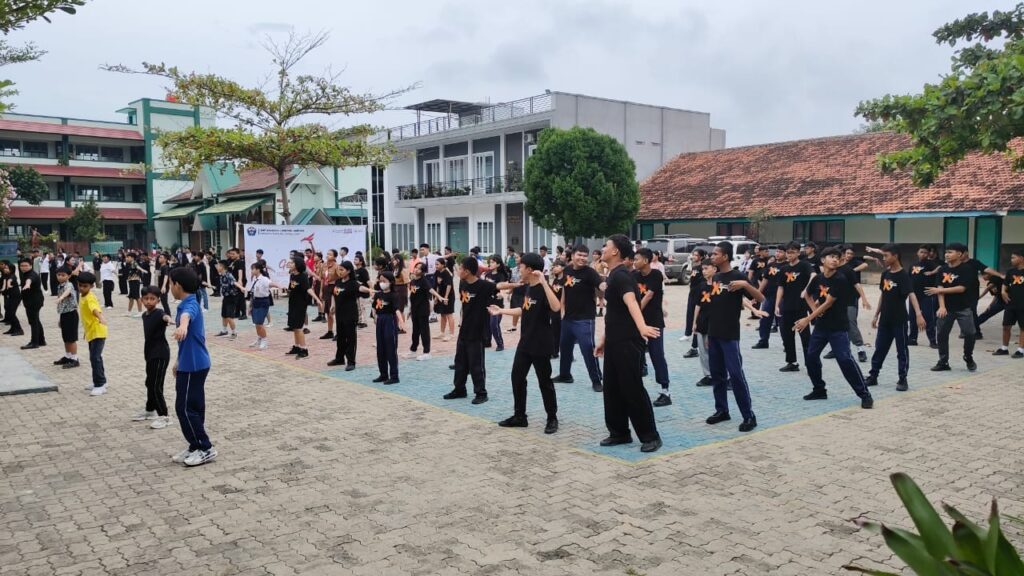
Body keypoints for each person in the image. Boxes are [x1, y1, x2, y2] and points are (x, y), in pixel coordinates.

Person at [594, 235, 662, 453]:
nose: (603, 249)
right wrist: (604, 340)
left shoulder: (622, 275)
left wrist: (642, 327)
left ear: (615, 251)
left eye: (607, 246)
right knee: (612, 389)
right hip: (614, 341)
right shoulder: (613, 274)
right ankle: (619, 432)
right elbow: (615, 314)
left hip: (628, 342)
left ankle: (650, 436)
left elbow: (631, 301)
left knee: (632, 388)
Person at [489, 252, 561, 434]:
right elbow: (524, 309)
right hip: (525, 342)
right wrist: (501, 311)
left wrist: (544, 282)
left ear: (529, 269)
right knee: (517, 377)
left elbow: (556, 307)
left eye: (520, 266)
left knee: (544, 382)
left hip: (541, 343)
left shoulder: (543, 288)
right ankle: (520, 416)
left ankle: (552, 417)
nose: (518, 269)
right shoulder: (528, 287)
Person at [795, 247, 874, 408]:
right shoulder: (818, 278)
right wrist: (814, 310)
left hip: (838, 327)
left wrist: (808, 318)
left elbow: (828, 303)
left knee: (845, 360)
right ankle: (819, 390)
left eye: (837, 257)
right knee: (811, 357)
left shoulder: (840, 279)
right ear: (822, 260)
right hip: (821, 327)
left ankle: (865, 394)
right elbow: (807, 295)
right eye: (831, 256)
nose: (835, 260)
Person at [703, 242, 764, 432]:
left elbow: (761, 298)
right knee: (717, 375)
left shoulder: (738, 276)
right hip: (714, 334)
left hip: (729, 335)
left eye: (716, 254)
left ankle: (748, 415)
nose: (712, 256)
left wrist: (745, 284)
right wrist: (708, 333)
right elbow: (712, 307)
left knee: (736, 375)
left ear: (725, 256)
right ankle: (722, 410)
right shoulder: (716, 277)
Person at [167, 267, 217, 467]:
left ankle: (205, 448)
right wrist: (178, 361)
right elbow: (186, 342)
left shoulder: (190, 304)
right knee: (193, 407)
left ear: (177, 285)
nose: (170, 287)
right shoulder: (188, 302)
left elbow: (187, 317)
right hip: (191, 363)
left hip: (194, 365)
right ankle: (195, 445)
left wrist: (182, 326)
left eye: (170, 283)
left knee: (185, 408)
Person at [866, 244, 926, 391]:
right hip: (885, 320)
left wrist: (918, 314)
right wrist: (876, 315)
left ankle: (902, 379)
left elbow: (911, 294)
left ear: (895, 256)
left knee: (902, 350)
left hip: (899, 320)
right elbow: (883, 295)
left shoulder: (903, 275)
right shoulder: (885, 274)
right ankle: (873, 376)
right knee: (880, 349)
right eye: (883, 255)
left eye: (886, 255)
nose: (883, 258)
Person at [442, 257, 495, 404]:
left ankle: (481, 393)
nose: (458, 271)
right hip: (464, 330)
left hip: (477, 332)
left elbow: (499, 286)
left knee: (476, 364)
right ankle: (459, 389)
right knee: (460, 362)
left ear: (467, 271)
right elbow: (464, 307)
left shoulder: (483, 285)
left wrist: (518, 284)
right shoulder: (463, 284)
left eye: (460, 268)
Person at [553, 244, 605, 393]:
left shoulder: (590, 272)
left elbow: (601, 285)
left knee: (588, 349)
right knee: (565, 348)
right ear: (573, 255)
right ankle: (565, 375)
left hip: (585, 320)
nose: (582, 258)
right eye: (579, 255)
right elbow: (564, 290)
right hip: (568, 318)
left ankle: (597, 380)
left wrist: (607, 286)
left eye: (585, 256)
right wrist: (562, 310)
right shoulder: (567, 270)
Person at [925, 242, 979, 372]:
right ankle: (943, 361)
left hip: (963, 308)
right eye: (946, 252)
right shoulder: (942, 269)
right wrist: (942, 306)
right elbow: (940, 288)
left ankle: (968, 356)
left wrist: (940, 290)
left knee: (970, 333)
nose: (946, 254)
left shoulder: (967, 269)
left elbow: (961, 288)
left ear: (959, 254)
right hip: (946, 308)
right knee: (941, 334)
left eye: (950, 252)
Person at [632, 248, 671, 407]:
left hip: (654, 322)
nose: (634, 262)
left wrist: (634, 313)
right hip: (638, 322)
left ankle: (665, 391)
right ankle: (635, 390)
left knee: (657, 355)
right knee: (636, 355)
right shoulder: (634, 276)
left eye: (637, 259)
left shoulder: (656, 275)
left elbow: (648, 295)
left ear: (646, 260)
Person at [134, 286, 172, 429]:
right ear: (142, 299)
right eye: (146, 298)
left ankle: (164, 416)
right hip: (150, 353)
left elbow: (165, 316)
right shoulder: (145, 315)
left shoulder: (159, 313)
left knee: (156, 386)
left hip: (160, 354)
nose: (149, 301)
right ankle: (150, 410)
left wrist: (168, 319)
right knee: (149, 383)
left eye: (152, 299)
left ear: (158, 300)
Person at [775, 241, 814, 372]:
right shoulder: (784, 269)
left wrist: (806, 290)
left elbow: (813, 275)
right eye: (788, 252)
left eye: (792, 252)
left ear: (798, 253)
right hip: (787, 306)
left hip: (801, 307)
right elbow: (780, 287)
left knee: (805, 337)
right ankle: (792, 362)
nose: (789, 255)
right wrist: (777, 304)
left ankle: (810, 363)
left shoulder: (804, 265)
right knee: (787, 336)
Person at [277, 256, 322, 359]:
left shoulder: (303, 276)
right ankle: (297, 347)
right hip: (292, 303)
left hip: (300, 304)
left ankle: (304, 349)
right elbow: (291, 289)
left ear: (297, 265)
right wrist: (284, 290)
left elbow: (308, 289)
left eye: (292, 263)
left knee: (299, 327)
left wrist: (317, 299)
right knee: (294, 327)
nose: (290, 264)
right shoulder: (292, 275)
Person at [327, 261, 366, 370]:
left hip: (350, 314)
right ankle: (339, 358)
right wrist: (333, 305)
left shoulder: (353, 283)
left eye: (342, 270)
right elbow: (334, 294)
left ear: (348, 271)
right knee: (340, 337)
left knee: (350, 338)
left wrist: (370, 290)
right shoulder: (338, 281)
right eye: (339, 270)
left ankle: (351, 361)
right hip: (339, 313)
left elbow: (361, 288)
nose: (339, 272)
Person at [368, 271, 405, 384]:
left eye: (384, 281)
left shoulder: (394, 295)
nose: (382, 283)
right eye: (380, 281)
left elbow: (396, 309)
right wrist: (374, 316)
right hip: (380, 320)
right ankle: (383, 374)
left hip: (390, 320)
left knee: (390, 348)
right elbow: (374, 306)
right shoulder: (378, 294)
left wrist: (401, 321)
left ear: (391, 282)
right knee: (380, 349)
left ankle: (394, 376)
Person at [77, 272, 108, 396]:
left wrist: (101, 317)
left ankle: (100, 385)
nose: (82, 288)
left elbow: (94, 309)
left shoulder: (90, 297)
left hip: (98, 332)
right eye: (80, 285)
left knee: (95, 358)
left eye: (85, 286)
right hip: (91, 332)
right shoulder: (82, 296)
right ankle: (99, 381)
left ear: (91, 286)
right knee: (96, 357)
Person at [406, 261, 443, 360]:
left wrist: (439, 297)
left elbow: (431, 290)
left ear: (423, 271)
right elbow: (412, 296)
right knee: (415, 331)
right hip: (414, 310)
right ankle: (413, 350)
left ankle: (427, 352)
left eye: (419, 268)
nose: (416, 269)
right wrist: (409, 310)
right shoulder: (413, 281)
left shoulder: (424, 280)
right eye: (416, 267)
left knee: (424, 331)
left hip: (423, 310)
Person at [691, 261, 719, 387]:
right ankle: (708, 376)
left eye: (706, 268)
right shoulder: (701, 286)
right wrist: (694, 322)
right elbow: (698, 305)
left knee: (714, 351)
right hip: (701, 322)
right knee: (703, 352)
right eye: (703, 269)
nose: (704, 271)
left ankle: (721, 375)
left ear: (714, 269)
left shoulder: (719, 286)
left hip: (714, 323)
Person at [908, 244, 941, 348]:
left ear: (928, 254)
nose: (923, 254)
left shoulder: (931, 263)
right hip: (913, 295)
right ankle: (912, 338)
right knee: (912, 317)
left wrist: (932, 272)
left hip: (927, 295)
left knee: (929, 318)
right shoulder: (912, 265)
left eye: (926, 252)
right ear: (917, 253)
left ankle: (932, 341)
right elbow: (908, 279)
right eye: (921, 252)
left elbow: (942, 267)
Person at [994, 248, 1024, 358]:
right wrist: (1003, 291)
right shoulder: (1010, 271)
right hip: (1010, 303)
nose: (1011, 260)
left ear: (1021, 258)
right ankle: (1004, 348)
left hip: (1023, 304)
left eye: (1013, 258)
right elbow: (1005, 283)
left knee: (1023, 328)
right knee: (1006, 326)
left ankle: (1021, 350)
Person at [52, 266, 80, 369]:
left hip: (71, 314)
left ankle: (74, 359)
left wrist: (61, 297)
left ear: (68, 276)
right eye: (58, 275)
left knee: (71, 339)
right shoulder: (60, 285)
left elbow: (67, 291)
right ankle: (68, 356)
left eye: (63, 275)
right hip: (64, 314)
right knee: (66, 338)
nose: (60, 277)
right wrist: (60, 319)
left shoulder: (69, 285)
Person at [682, 248, 708, 354]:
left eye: (696, 255)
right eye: (693, 254)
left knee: (697, 319)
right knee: (690, 314)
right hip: (692, 294)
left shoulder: (703, 268)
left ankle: (695, 346)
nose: (694, 256)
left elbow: (703, 282)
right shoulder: (694, 267)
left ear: (701, 257)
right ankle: (688, 334)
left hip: (699, 294)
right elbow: (691, 279)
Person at [244, 263, 272, 350]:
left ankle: (264, 341)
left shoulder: (264, 279)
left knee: (259, 323)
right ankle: (260, 338)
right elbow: (253, 293)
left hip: (263, 302)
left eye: (253, 269)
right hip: (255, 301)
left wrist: (279, 286)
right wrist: (250, 306)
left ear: (258, 270)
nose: (251, 271)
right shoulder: (255, 280)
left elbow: (271, 284)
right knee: (256, 323)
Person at [19, 258, 46, 350]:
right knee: (36, 320)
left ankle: (34, 342)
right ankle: (41, 340)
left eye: (26, 266)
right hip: (31, 301)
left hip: (34, 302)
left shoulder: (32, 274)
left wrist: (27, 284)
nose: (23, 267)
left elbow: (29, 280)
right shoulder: (25, 274)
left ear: (31, 266)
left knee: (33, 322)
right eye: (22, 266)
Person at [483, 255, 508, 352]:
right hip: (487, 302)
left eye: (493, 262)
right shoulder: (487, 275)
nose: (491, 263)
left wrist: (501, 293)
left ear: (498, 264)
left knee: (494, 324)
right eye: (490, 262)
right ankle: (487, 342)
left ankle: (500, 344)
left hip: (497, 304)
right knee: (486, 324)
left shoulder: (501, 276)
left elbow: (503, 287)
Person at [214, 261, 241, 340]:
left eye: (218, 266)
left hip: (232, 297)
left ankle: (234, 333)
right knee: (224, 315)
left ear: (222, 267)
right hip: (226, 297)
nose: (217, 267)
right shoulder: (221, 275)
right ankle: (224, 330)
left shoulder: (228, 275)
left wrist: (241, 288)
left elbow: (234, 282)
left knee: (229, 316)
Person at [319, 249, 340, 340]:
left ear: (335, 257)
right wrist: (321, 291)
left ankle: (339, 332)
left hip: (334, 288)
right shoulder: (323, 265)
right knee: (328, 311)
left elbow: (340, 278)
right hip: (326, 288)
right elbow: (322, 279)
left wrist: (337, 289)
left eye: (330, 254)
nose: (327, 256)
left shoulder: (337, 266)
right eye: (327, 254)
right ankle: (330, 331)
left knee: (334, 311)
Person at [433, 258, 455, 341]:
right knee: (442, 314)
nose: (436, 266)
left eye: (437, 264)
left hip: (448, 296)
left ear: (443, 265)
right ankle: (442, 333)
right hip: (440, 296)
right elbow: (437, 286)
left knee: (449, 314)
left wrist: (446, 297)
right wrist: (436, 297)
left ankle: (451, 334)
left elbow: (449, 285)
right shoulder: (437, 272)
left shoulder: (446, 273)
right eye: (435, 264)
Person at [1, 260, 24, 336]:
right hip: (10, 296)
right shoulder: (6, 276)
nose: (5, 269)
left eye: (7, 268)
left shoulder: (12, 276)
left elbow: (9, 281)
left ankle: (19, 330)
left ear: (11, 269)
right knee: (9, 312)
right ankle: (13, 329)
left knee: (12, 313)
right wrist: (3, 289)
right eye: (5, 268)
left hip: (15, 297)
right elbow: (4, 286)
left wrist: (9, 285)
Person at [124, 252, 144, 317]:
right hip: (131, 282)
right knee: (131, 297)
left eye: (128, 257)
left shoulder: (134, 263)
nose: (127, 258)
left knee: (137, 297)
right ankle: (129, 312)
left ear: (132, 258)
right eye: (126, 257)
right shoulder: (130, 264)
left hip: (135, 281)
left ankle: (140, 312)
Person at [353, 254, 370, 328]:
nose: (354, 261)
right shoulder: (354, 271)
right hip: (357, 292)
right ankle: (359, 321)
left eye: (356, 259)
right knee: (358, 307)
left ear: (361, 262)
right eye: (354, 259)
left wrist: (371, 290)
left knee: (362, 307)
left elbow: (368, 281)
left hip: (363, 292)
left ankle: (364, 322)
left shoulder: (363, 270)